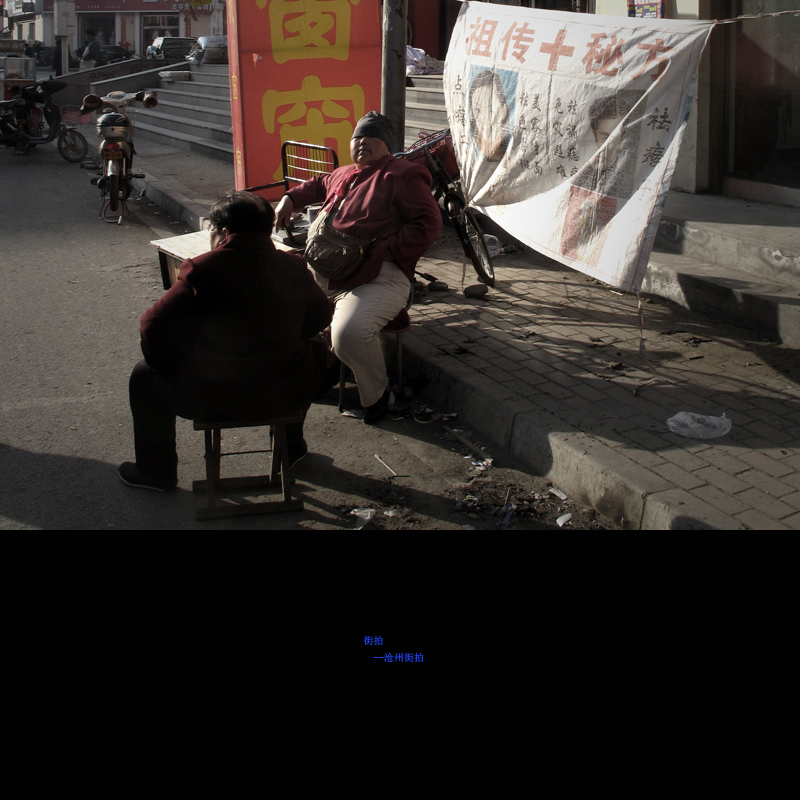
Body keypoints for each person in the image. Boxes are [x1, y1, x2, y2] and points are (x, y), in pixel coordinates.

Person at [118, 191, 333, 492]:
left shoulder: (202, 268)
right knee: (314, 349)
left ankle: (156, 473)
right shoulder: (293, 266)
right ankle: (291, 447)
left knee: (143, 376)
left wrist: (172, 364)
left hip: (215, 396)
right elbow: (322, 314)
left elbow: (152, 324)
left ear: (221, 232)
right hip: (285, 391)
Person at [274, 111, 442, 424]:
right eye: (357, 137)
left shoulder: (401, 173)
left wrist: (386, 250)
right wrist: (289, 198)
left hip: (377, 277)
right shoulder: (344, 173)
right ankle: (325, 370)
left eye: (371, 136)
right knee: (283, 314)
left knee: (349, 333)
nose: (362, 142)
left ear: (387, 144)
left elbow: (429, 223)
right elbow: (318, 182)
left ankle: (379, 398)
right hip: (326, 273)